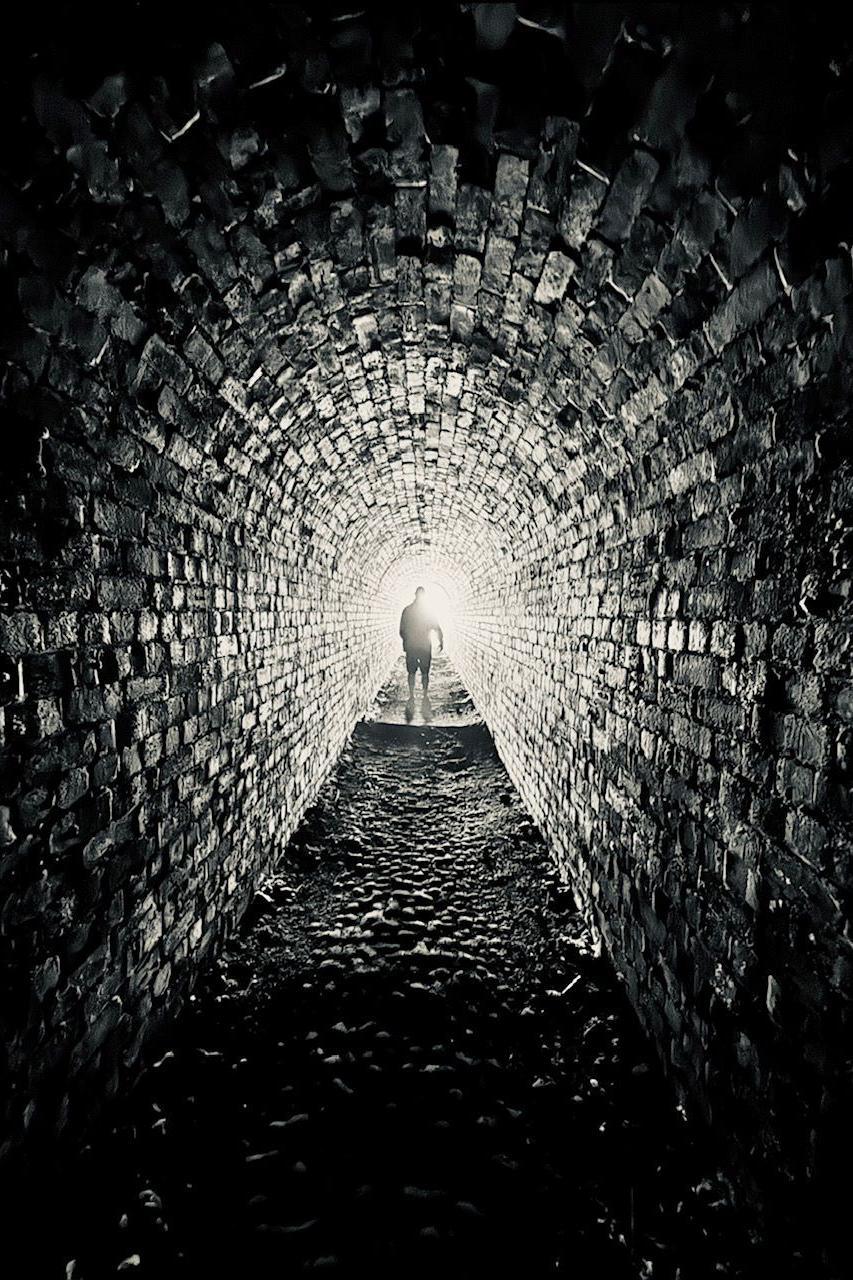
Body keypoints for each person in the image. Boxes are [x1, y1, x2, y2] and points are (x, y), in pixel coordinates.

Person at [399, 587, 443, 701]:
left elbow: (401, 630)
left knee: (411, 672)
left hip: (412, 646)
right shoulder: (428, 612)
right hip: (424, 646)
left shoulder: (407, 610)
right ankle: (424, 694)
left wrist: (406, 641)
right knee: (425, 672)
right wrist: (441, 641)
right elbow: (437, 628)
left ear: (415, 595)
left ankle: (412, 695)